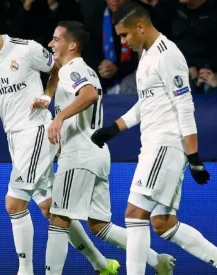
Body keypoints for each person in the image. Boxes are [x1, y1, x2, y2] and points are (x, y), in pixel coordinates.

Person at [0, 8, 119, 275]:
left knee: (13, 204)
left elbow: (59, 66)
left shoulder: (26, 49)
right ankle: (102, 265)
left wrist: (47, 97)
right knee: (50, 208)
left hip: (37, 131)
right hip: (15, 138)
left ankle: (25, 270)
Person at [90, 2, 214, 274]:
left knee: (134, 215)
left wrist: (193, 157)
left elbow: (185, 106)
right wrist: (113, 129)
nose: (123, 41)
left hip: (165, 145)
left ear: (141, 26)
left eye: (124, 35)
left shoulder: (167, 55)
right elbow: (146, 105)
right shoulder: (146, 55)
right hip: (156, 146)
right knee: (163, 223)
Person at [45, 20, 175, 275]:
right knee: (99, 225)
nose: (51, 43)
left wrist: (58, 118)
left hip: (80, 155)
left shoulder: (74, 69)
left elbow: (90, 94)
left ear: (72, 45)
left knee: (58, 219)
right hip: (96, 153)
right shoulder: (82, 69)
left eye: (56, 39)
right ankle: (156, 260)